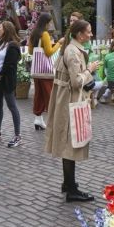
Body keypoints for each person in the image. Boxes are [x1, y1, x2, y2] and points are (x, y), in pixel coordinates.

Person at [45, 19, 99, 202]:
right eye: (88, 32)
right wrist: (90, 70)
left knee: (69, 142)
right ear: (79, 34)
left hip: (66, 100)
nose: (91, 35)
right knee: (70, 144)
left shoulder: (68, 48)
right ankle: (70, 189)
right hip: (71, 101)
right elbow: (76, 82)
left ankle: (68, 183)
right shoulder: (73, 52)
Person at [28, 12, 61, 131]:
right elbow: (49, 52)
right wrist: (59, 44)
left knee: (39, 94)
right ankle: (52, 121)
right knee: (49, 94)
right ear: (46, 23)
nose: (50, 24)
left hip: (36, 70)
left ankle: (38, 119)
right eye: (50, 22)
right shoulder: (45, 34)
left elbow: (31, 51)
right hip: (46, 71)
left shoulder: (34, 34)